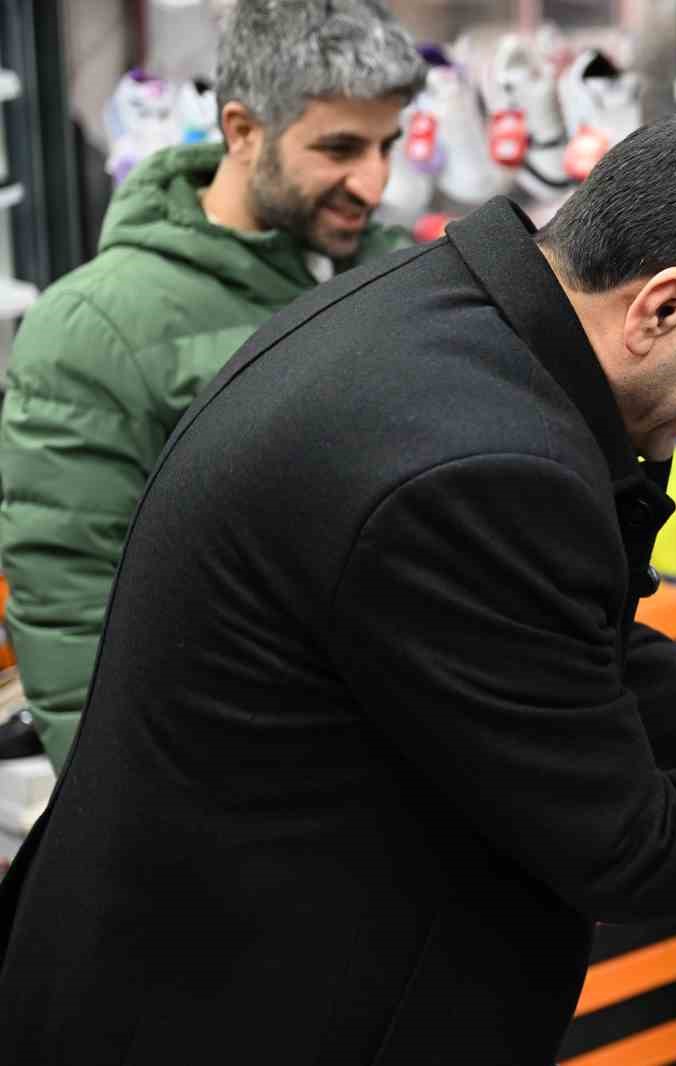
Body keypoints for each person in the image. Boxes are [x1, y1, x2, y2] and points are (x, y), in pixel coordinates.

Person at [0, 105, 676, 1064]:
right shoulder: (482, 465)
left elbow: (554, 654)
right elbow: (623, 839)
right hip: (245, 1011)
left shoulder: (443, 323)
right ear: (662, 305)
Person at [0, 0, 428, 769]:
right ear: (241, 131)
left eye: (386, 144)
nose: (373, 181)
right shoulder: (94, 329)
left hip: (394, 766)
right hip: (231, 782)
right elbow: (72, 618)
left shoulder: (399, 275)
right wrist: (133, 825)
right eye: (339, 147)